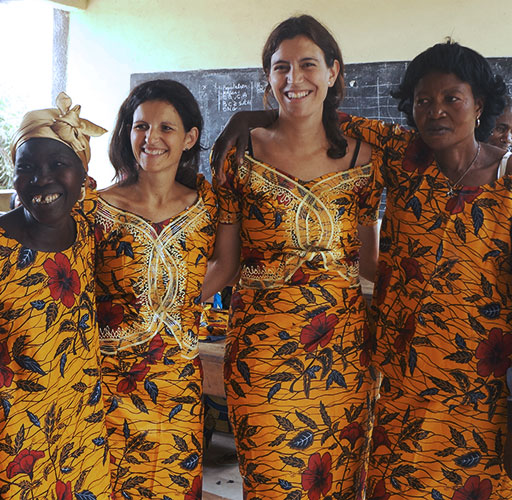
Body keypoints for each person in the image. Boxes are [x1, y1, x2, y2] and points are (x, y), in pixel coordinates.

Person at [214, 40, 512, 500]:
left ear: (480, 105)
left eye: (452, 98)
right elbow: (309, 116)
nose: (436, 112)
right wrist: (247, 117)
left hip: (475, 389)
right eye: (423, 101)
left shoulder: (507, 182)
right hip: (396, 379)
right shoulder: (402, 155)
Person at [204, 15, 380, 500]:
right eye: (281, 67)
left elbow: (369, 262)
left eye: (308, 65)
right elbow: (224, 263)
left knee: (338, 486)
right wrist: (154, 301)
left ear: (333, 72)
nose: (294, 79)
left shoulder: (366, 157)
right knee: (273, 485)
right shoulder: (240, 152)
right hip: (262, 357)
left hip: (343, 358)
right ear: (268, 77)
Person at [0, 93, 112, 498]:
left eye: (58, 165)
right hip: (14, 438)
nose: (41, 178)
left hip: (82, 429)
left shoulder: (88, 227)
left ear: (83, 174)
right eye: (25, 168)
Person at [92, 79, 215, 499]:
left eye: (167, 128)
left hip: (178, 383)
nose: (152, 138)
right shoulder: (96, 207)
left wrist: (181, 298)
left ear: (190, 138)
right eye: (141, 126)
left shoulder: (207, 206)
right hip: (109, 383)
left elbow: (230, 262)